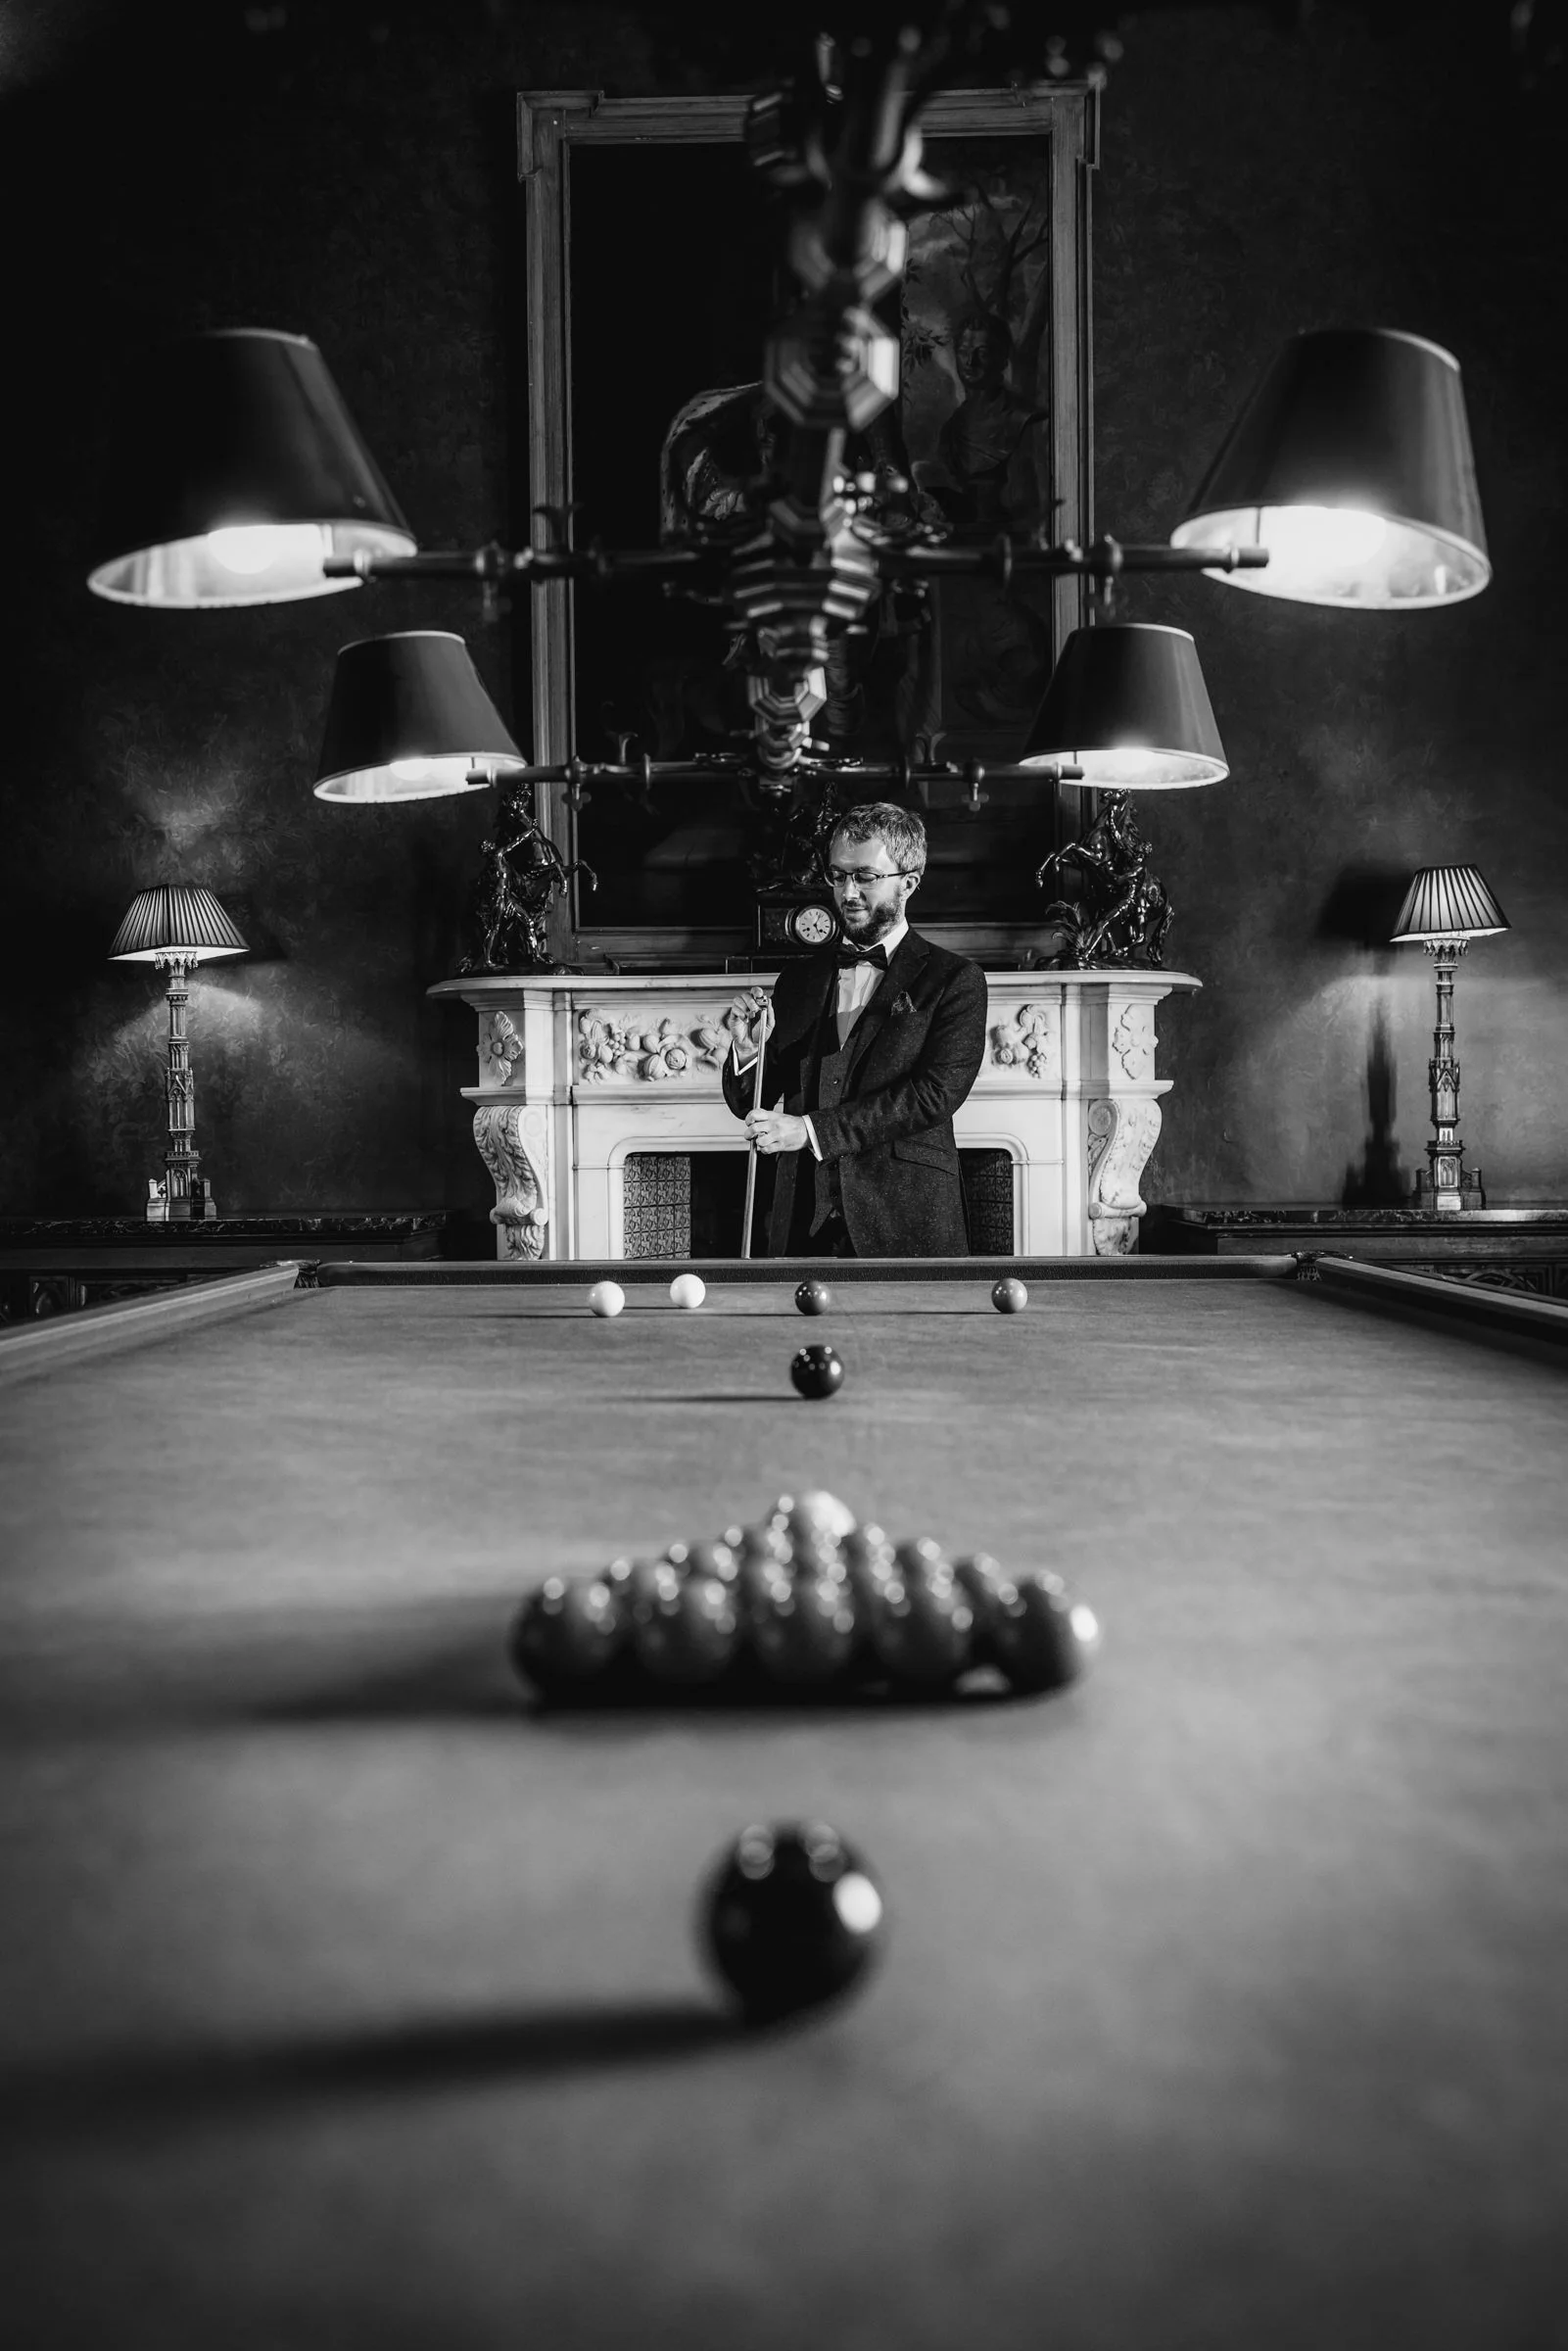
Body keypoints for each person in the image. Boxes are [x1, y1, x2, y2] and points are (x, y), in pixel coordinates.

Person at [722, 805, 987, 1258]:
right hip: (802, 1221)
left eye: (865, 876)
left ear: (909, 882)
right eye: (838, 875)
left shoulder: (955, 980)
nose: (847, 892)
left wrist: (809, 1131)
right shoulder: (798, 980)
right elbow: (754, 1103)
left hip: (907, 1219)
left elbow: (933, 1096)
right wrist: (749, 1052)